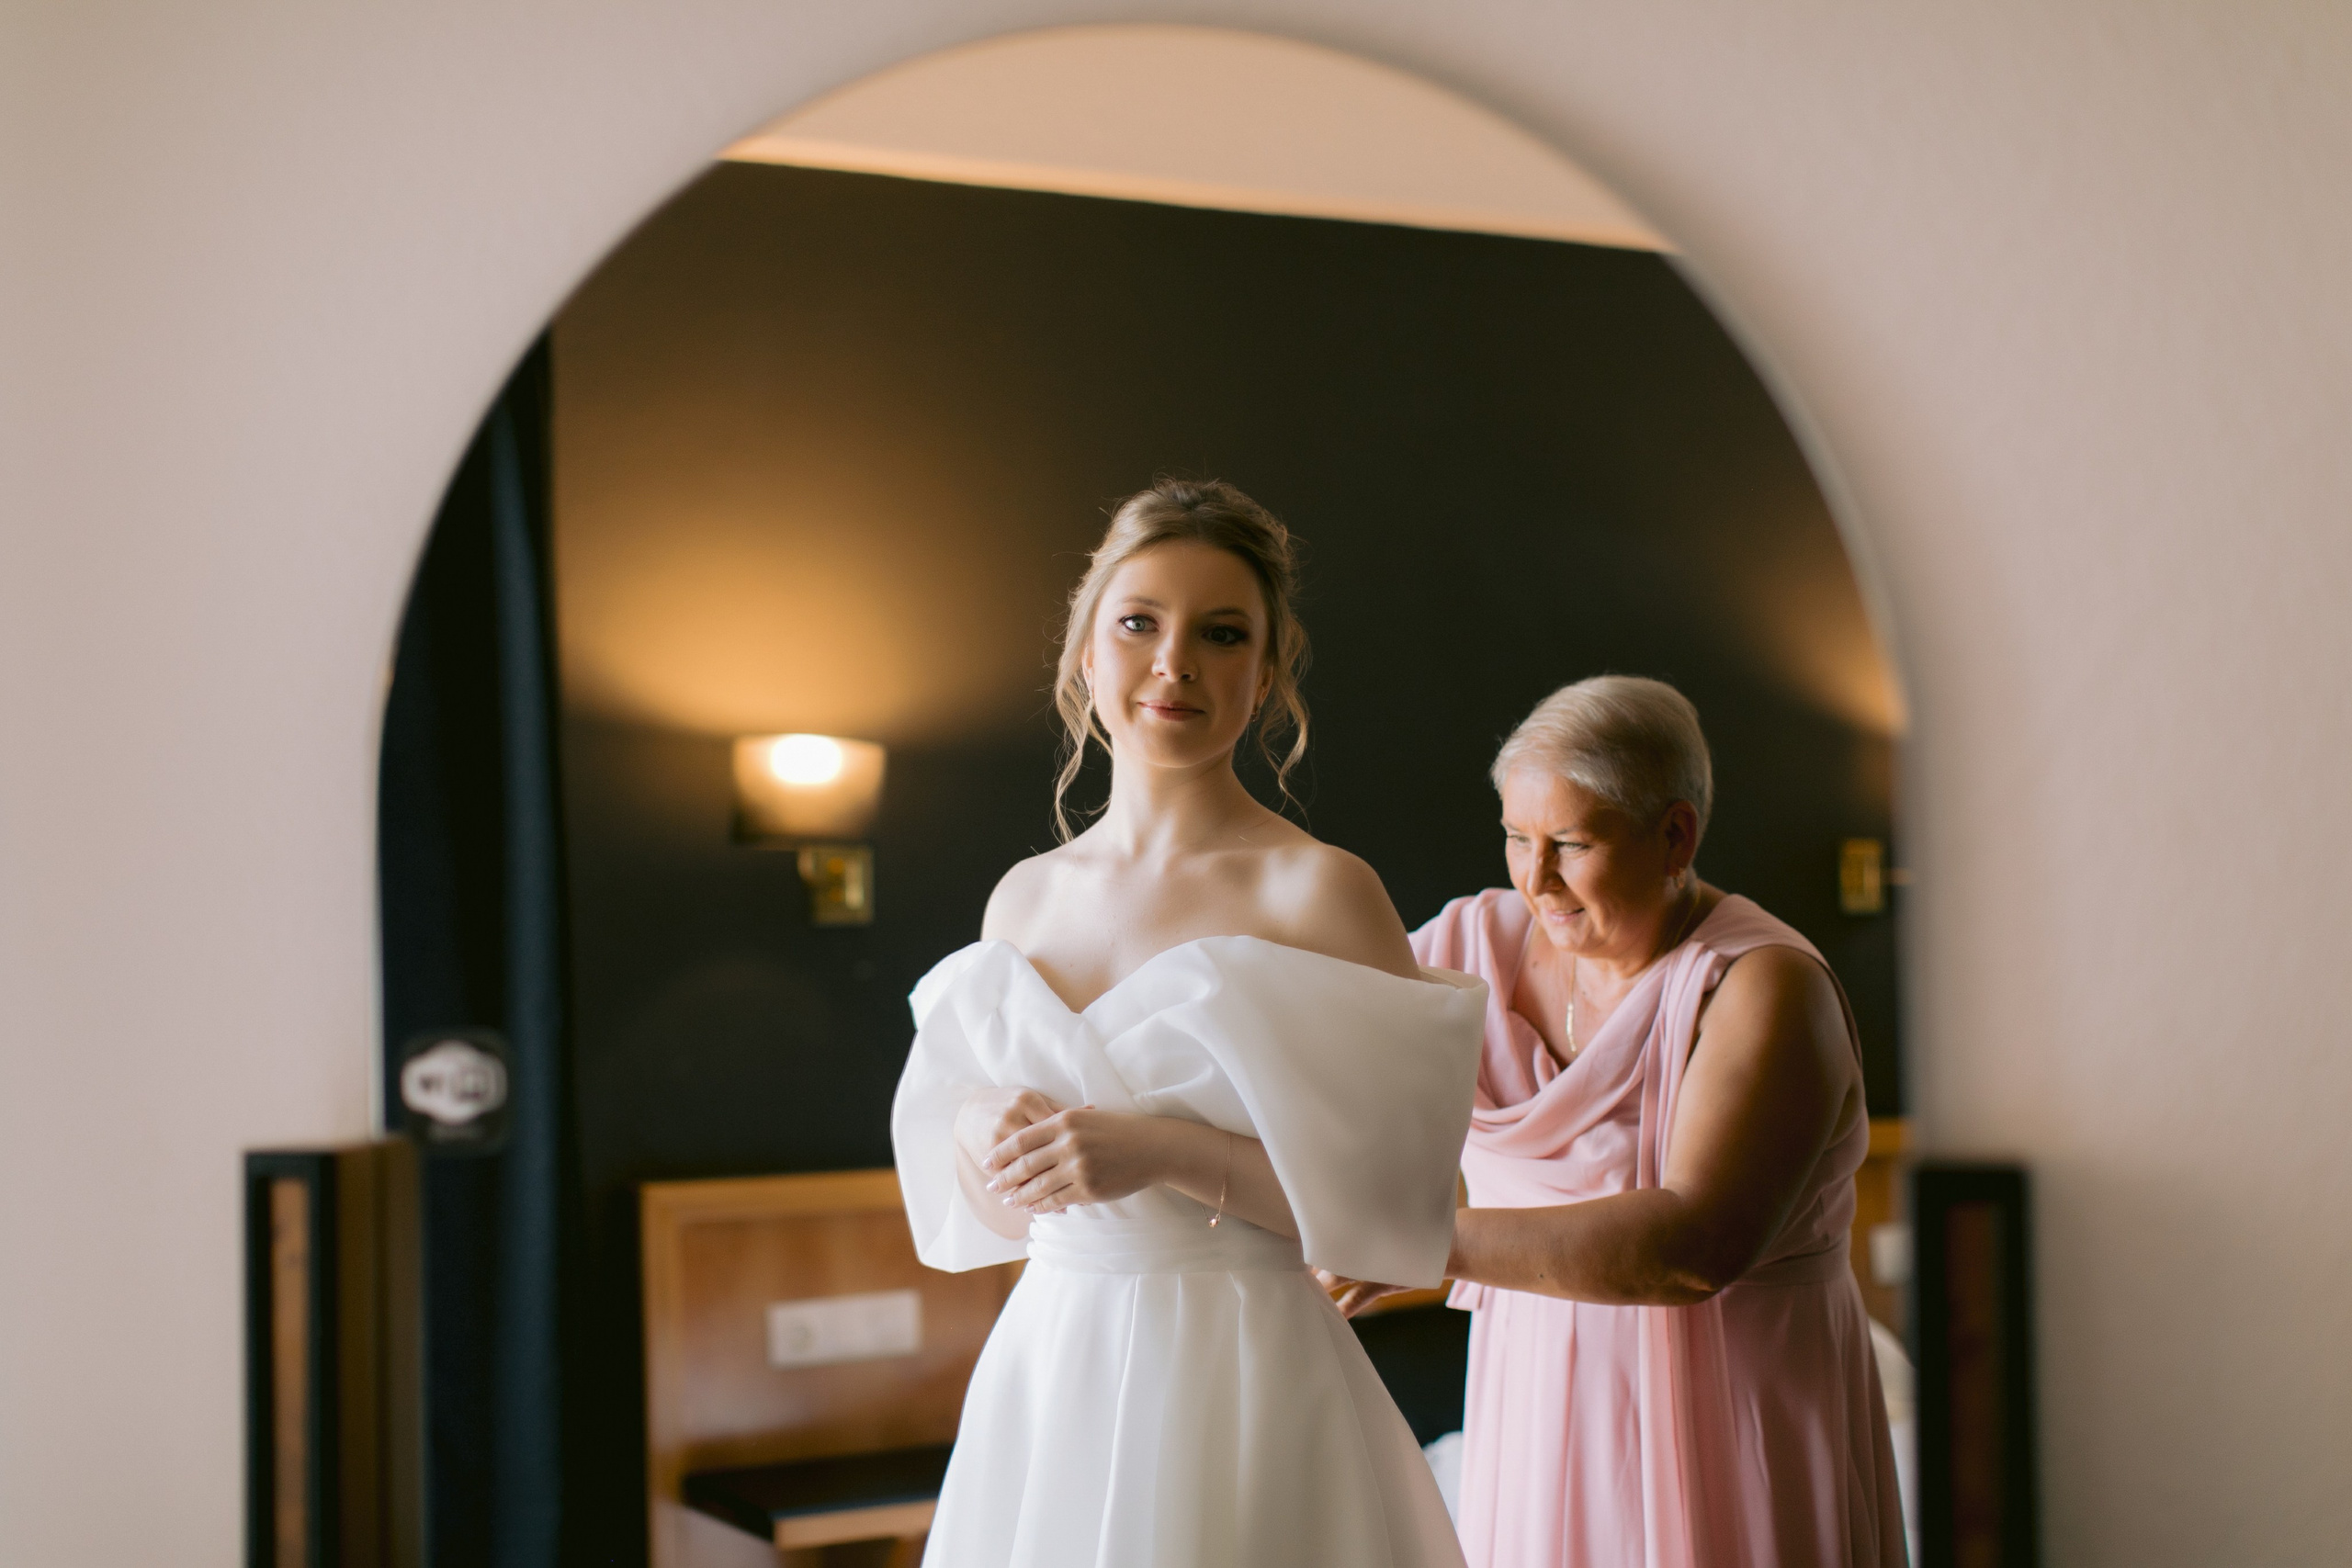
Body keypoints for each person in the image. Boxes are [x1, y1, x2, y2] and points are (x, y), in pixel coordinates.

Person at [891, 479, 1488, 1568]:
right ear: (1086, 654)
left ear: (1265, 676)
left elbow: (1412, 1211)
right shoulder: (1023, 899)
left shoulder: (1317, 892)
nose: (1175, 664)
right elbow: (993, 1207)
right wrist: (979, 1124)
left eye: (1221, 634)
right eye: (1139, 624)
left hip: (1244, 1373)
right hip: (1053, 1367)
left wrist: (1163, 1153)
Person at [1327, 676, 1906, 1567]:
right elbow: (1303, 1052)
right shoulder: (1468, 948)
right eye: (1516, 837)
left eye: (1571, 842)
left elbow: (1693, 1245)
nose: (1535, 878)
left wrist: (1419, 1240)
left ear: (1675, 835)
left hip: (1733, 1412)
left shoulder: (1764, 987)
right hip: (1535, 1404)